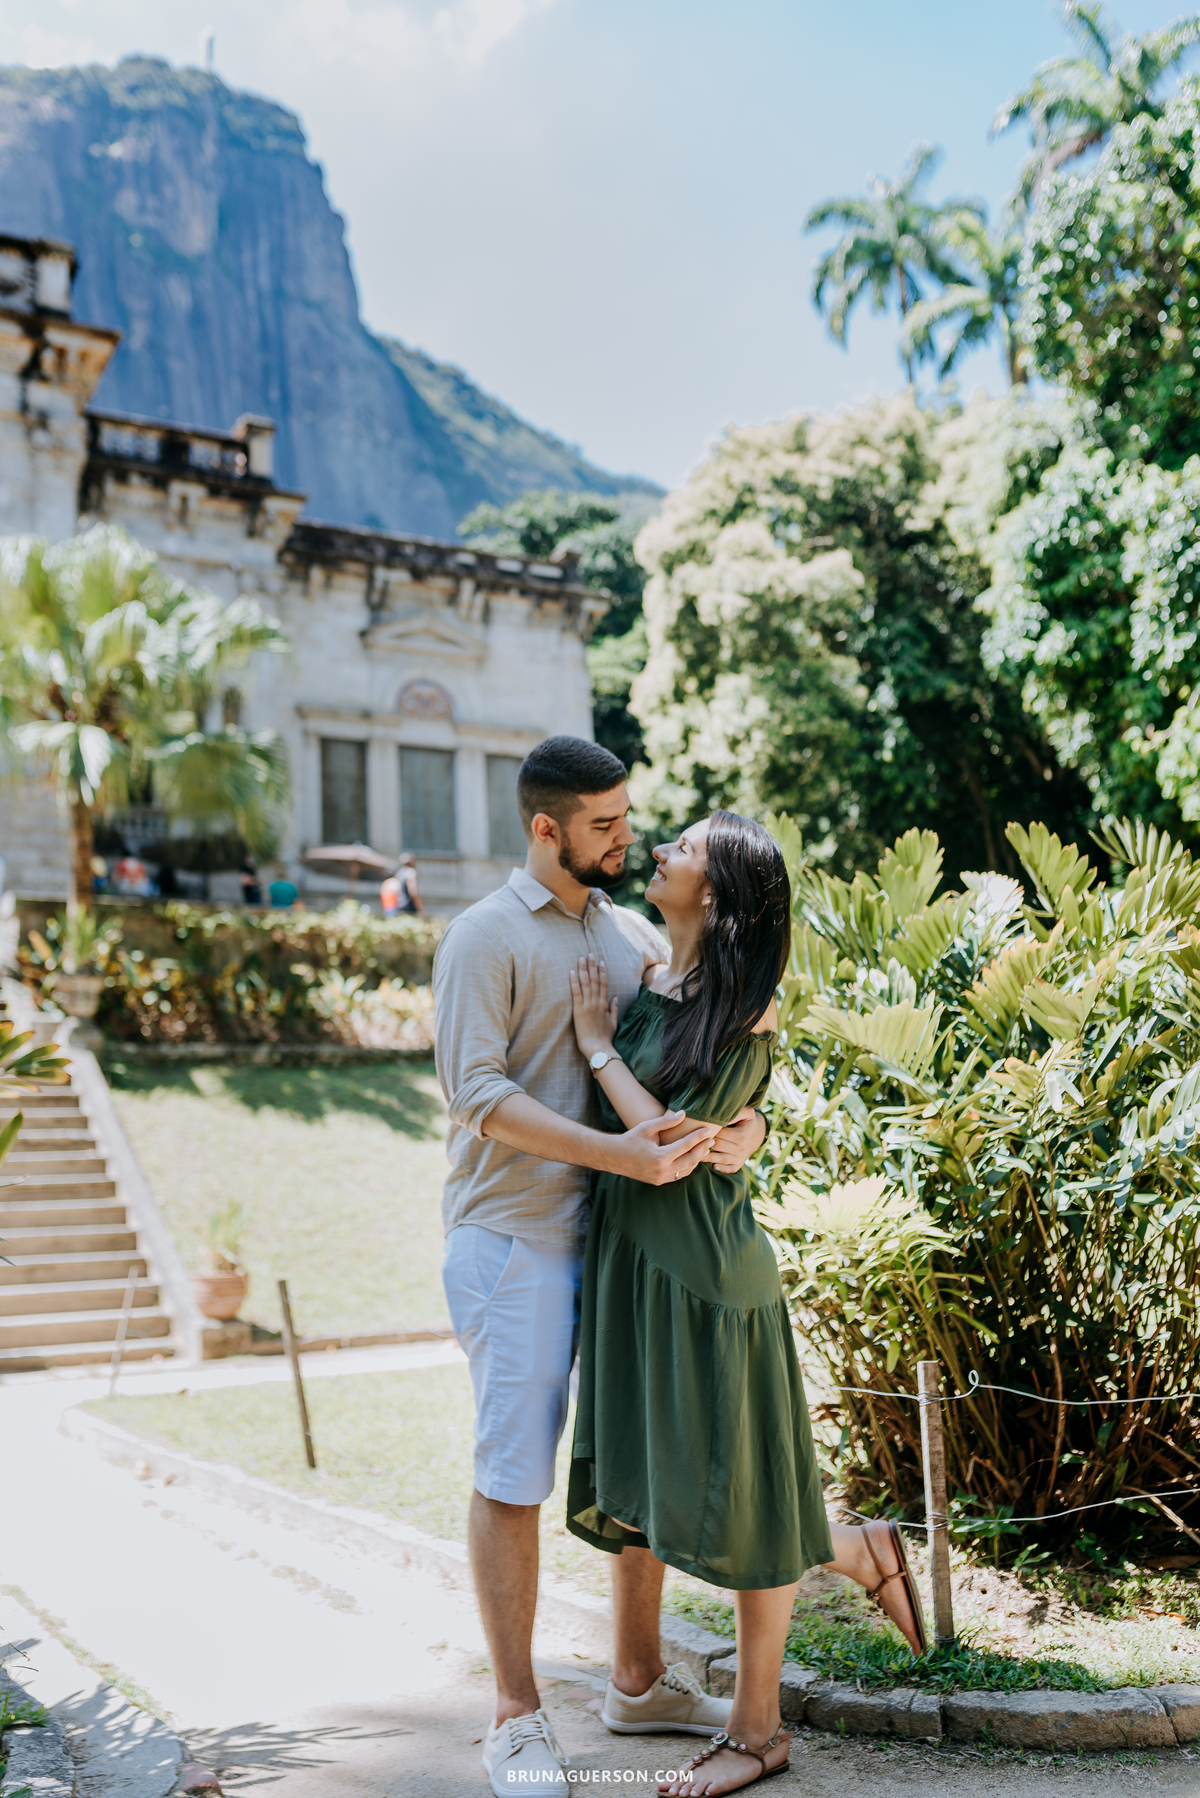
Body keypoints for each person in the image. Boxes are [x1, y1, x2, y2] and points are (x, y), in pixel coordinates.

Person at [565, 812, 927, 1798]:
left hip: (708, 1279)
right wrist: (744, 1121)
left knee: (750, 1500)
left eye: (682, 849)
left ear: (716, 892)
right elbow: (702, 1123)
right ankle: (857, 1550)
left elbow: (670, 1146)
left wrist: (597, 1048)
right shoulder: (650, 975)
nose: (660, 851)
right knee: (657, 1482)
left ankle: (758, 1733)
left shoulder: (748, 1005)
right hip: (635, 1269)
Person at [433, 738, 769, 1798]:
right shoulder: (482, 938)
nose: (629, 836)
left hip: (625, 1252)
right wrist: (622, 1154)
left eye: (628, 816)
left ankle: (637, 1682)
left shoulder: (628, 934)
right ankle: (515, 1715)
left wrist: (747, 1128)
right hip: (515, 1241)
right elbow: (477, 1095)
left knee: (640, 1457)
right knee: (514, 1474)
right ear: (548, 828)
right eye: (605, 824)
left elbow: (703, 1049)